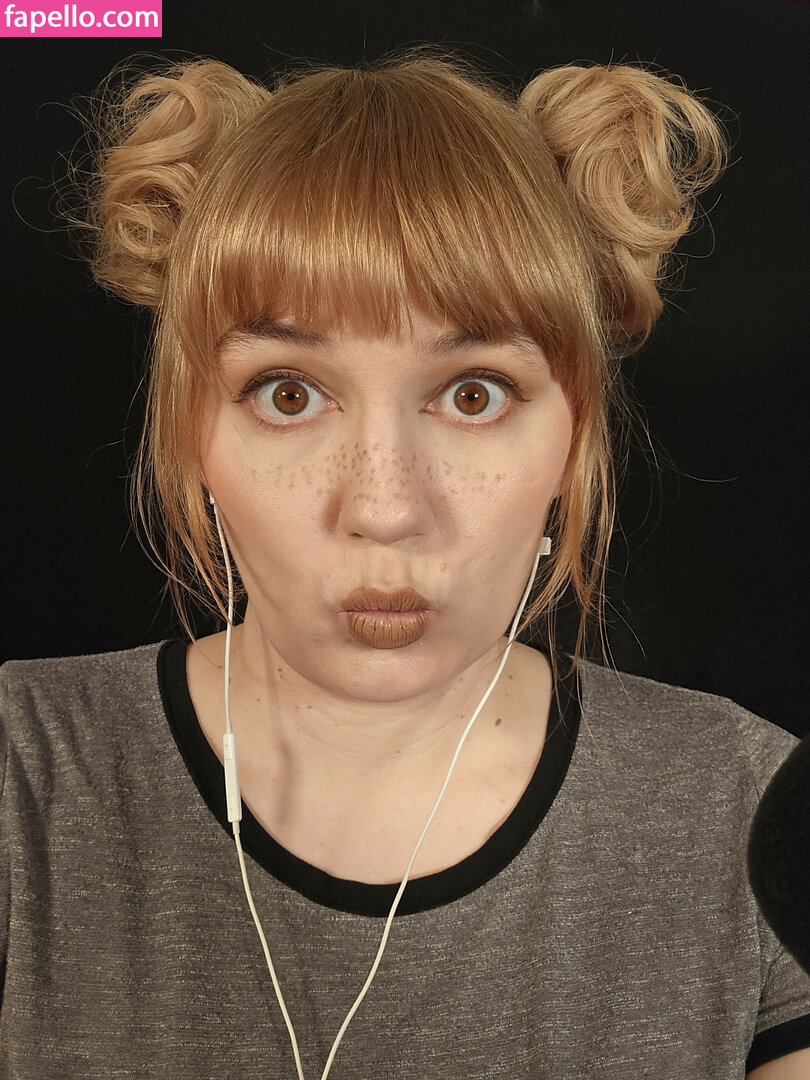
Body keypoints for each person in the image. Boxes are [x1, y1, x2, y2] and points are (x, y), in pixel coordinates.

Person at [1, 46, 809, 1080]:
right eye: (288, 393)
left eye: (473, 394)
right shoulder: (22, 778)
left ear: (572, 438)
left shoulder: (752, 813)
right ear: (193, 434)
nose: (384, 508)